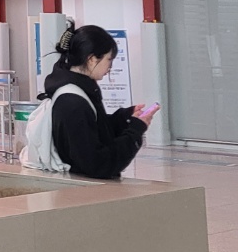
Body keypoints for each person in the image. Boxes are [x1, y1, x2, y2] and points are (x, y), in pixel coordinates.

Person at [44, 21, 155, 179]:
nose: (110, 67)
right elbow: (97, 164)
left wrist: (125, 118)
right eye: (109, 59)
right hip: (84, 189)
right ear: (92, 59)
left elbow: (93, 131)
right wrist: (135, 132)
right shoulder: (73, 102)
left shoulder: (78, 91)